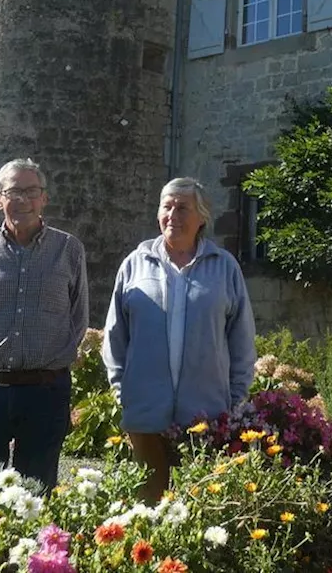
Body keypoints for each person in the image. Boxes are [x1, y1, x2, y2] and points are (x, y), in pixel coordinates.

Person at [102, 177, 256, 501]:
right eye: (167, 206)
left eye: (182, 207)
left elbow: (241, 340)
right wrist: (123, 392)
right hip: (145, 416)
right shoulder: (134, 265)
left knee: (201, 509)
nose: (173, 215)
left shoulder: (224, 268)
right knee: (148, 507)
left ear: (202, 218)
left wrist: (233, 401)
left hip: (206, 418)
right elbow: (115, 337)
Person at [0, 158, 88, 491]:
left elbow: (78, 318)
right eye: (13, 191)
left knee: (35, 496)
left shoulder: (68, 250)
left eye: (31, 191)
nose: (22, 199)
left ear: (44, 198)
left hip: (45, 391)